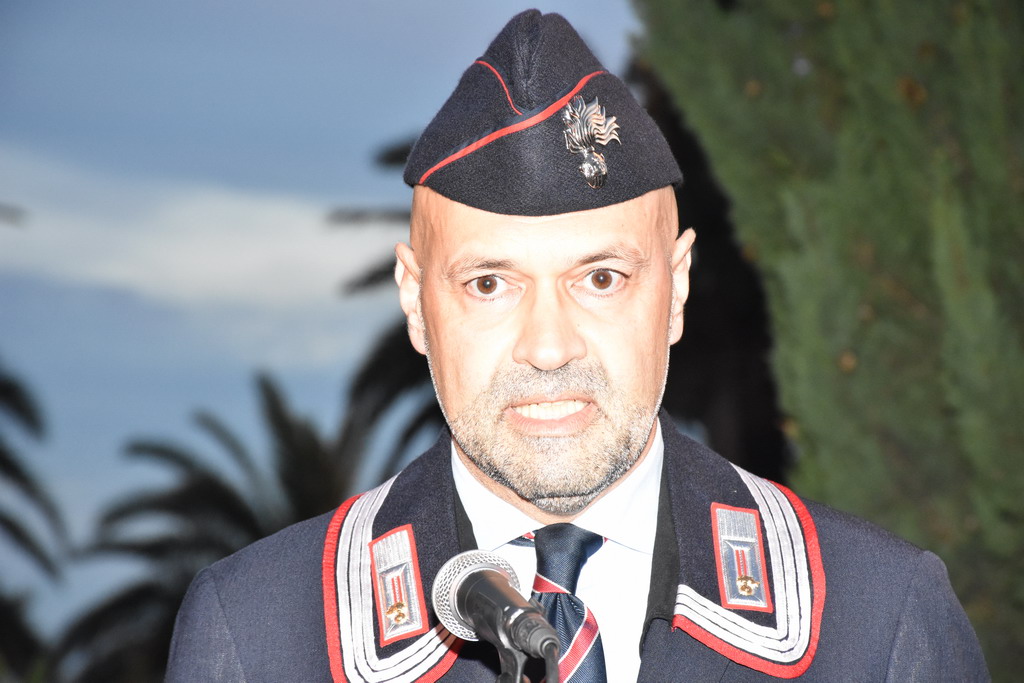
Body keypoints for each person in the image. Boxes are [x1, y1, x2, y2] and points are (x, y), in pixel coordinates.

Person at [167, 10, 988, 682]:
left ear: (677, 288)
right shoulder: (262, 634)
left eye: (600, 277)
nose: (550, 346)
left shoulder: (877, 621)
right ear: (416, 302)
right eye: (490, 283)